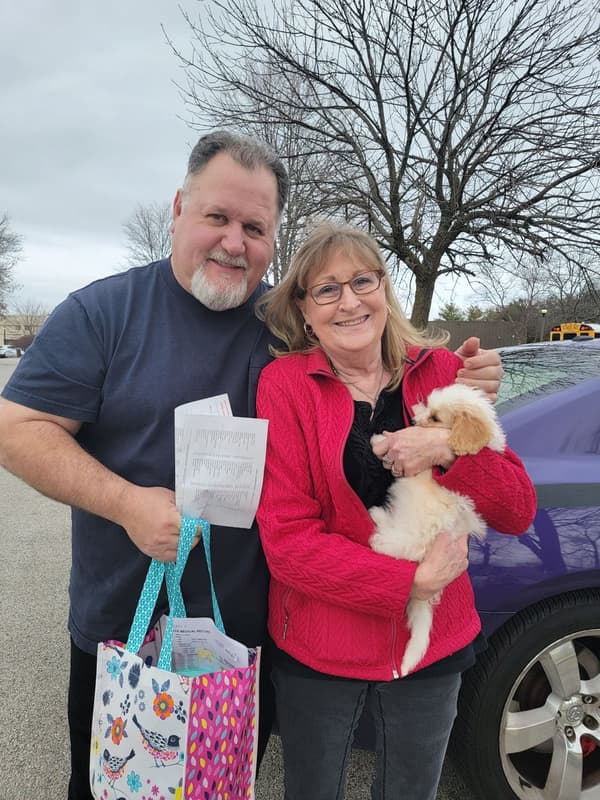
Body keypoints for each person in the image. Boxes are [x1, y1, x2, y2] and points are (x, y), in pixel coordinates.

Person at [0, 132, 502, 800]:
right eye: (217, 217)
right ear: (179, 208)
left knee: (223, 788)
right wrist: (125, 503)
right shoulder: (103, 312)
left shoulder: (290, 324)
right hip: (128, 631)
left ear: (272, 238)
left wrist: (466, 397)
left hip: (248, 639)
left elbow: (379, 362)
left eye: (255, 227)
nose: (235, 242)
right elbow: (17, 430)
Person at [255, 222, 537, 800]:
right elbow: (287, 540)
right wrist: (408, 580)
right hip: (320, 645)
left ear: (385, 288)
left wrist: (449, 446)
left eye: (363, 280)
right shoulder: (284, 384)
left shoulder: (439, 373)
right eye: (327, 289)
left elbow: (516, 509)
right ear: (304, 311)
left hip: (432, 643)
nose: (351, 301)